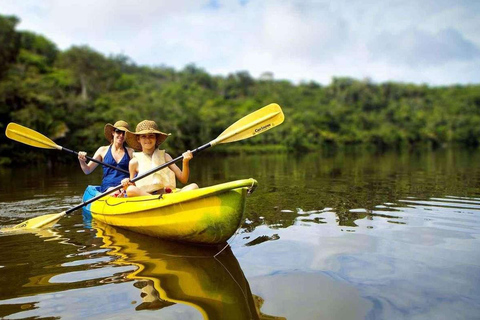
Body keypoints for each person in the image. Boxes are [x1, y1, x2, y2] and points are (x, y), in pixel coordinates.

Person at [121, 120, 198, 197]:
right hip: (147, 197)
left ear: (156, 138)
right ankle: (155, 199)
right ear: (138, 139)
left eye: (151, 136)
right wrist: (126, 183)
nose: (147, 139)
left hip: (166, 195)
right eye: (143, 136)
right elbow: (133, 185)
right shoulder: (134, 162)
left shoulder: (165, 156)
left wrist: (185, 162)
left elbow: (183, 179)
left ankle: (162, 200)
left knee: (194, 186)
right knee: (130, 190)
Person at [78, 120, 134, 192]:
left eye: (124, 133)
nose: (121, 135)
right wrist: (81, 160)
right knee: (114, 191)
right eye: (118, 132)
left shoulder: (130, 152)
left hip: (125, 187)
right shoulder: (102, 150)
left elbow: (137, 172)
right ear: (113, 133)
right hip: (108, 187)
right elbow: (87, 170)